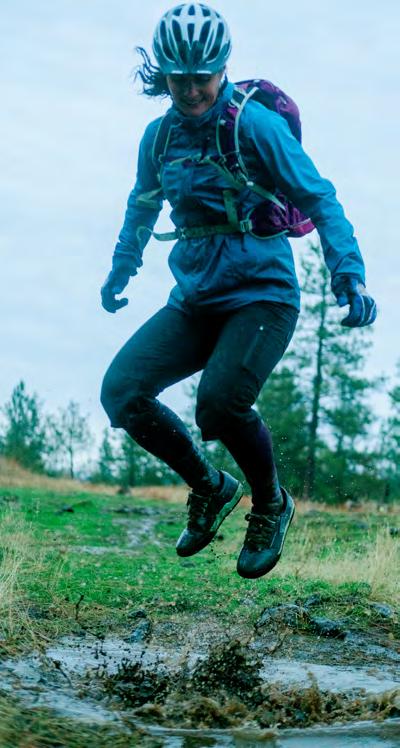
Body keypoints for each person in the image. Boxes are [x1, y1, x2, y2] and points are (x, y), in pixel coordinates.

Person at [100, 3, 376, 579]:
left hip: (262, 295)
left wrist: (347, 271)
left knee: (219, 402)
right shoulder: (159, 138)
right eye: (179, 78)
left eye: (202, 76)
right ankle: (210, 486)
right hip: (195, 299)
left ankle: (270, 504)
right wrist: (122, 267)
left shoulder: (254, 126)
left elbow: (319, 197)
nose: (191, 90)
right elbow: (142, 205)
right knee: (122, 393)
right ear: (164, 73)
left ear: (223, 67)